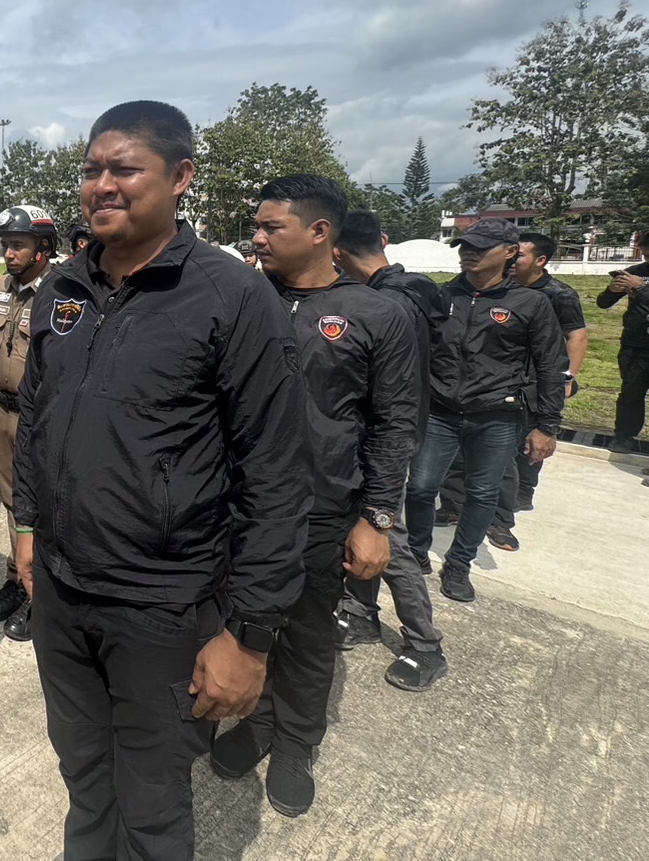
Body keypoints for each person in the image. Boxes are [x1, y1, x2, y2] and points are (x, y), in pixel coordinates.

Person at [13, 102, 311, 859]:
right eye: (91, 169)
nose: (101, 185)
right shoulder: (63, 287)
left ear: (180, 178)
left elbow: (276, 475)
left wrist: (250, 637)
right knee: (83, 775)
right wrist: (26, 526)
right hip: (61, 591)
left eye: (124, 168)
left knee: (151, 805)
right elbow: (38, 418)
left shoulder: (231, 296)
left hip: (162, 605)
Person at [214, 178, 418, 818]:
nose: (256, 238)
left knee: (305, 629)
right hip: (233, 500)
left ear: (320, 232)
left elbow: (394, 424)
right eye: (257, 226)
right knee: (242, 619)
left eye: (271, 227)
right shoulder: (242, 300)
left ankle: (295, 739)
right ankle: (255, 715)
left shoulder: (377, 314)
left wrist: (376, 518)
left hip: (321, 505)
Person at [403, 218, 567, 604]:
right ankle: (415, 552)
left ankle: (460, 563)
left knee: (481, 492)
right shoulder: (442, 296)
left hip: (497, 415)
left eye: (480, 247)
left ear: (510, 252)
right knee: (421, 487)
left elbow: (550, 366)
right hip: (440, 411)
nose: (469, 253)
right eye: (465, 246)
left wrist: (547, 426)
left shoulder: (531, 303)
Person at [332, 210, 451, 692]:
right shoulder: (416, 289)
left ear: (335, 251)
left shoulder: (386, 305)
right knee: (359, 526)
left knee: (386, 537)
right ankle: (361, 612)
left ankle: (426, 644)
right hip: (396, 430)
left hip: (384, 437)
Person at [0, 204, 56, 642]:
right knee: (11, 502)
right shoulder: (0, 287)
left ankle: (44, 594)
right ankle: (17, 577)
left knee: (43, 506)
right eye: (5, 244)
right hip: (4, 413)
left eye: (17, 245)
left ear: (43, 248)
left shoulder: (60, 292)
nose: (8, 253)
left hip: (40, 419)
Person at [487, 231, 587, 537]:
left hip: (540, 377)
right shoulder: (501, 286)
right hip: (505, 375)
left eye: (519, 255)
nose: (511, 260)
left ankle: (522, 493)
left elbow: (577, 335)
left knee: (531, 437)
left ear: (540, 260)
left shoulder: (559, 294)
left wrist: (567, 378)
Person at [600, 230, 649, 454]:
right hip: (635, 344)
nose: (647, 259)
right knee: (630, 392)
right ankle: (624, 436)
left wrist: (642, 289)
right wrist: (612, 290)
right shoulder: (636, 272)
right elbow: (603, 303)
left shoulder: (639, 282)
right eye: (645, 255)